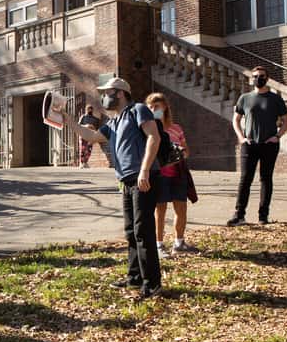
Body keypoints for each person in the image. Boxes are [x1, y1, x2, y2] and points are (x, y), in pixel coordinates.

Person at [64, 77, 163, 300]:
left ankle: (152, 283)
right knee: (131, 231)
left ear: (119, 93)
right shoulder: (114, 121)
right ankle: (135, 277)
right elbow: (90, 136)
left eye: (106, 93)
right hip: (127, 180)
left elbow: (153, 137)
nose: (103, 97)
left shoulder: (138, 110)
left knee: (143, 230)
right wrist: (67, 119)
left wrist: (145, 170)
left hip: (143, 177)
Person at [227, 66, 287, 226]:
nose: (258, 78)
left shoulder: (275, 99)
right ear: (252, 79)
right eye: (255, 76)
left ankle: (263, 216)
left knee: (266, 179)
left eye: (261, 76)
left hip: (269, 145)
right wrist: (241, 138)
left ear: (267, 78)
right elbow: (235, 120)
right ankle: (239, 215)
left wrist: (277, 136)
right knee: (245, 179)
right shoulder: (244, 98)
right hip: (249, 145)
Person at [145, 93, 197, 256]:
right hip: (159, 175)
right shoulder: (147, 128)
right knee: (159, 211)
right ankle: (159, 245)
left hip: (177, 173)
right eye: (151, 107)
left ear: (165, 107)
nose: (154, 109)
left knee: (181, 208)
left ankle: (179, 243)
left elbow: (187, 150)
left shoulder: (176, 128)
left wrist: (180, 152)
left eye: (157, 106)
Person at [78, 104, 100, 169]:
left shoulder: (95, 119)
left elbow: (97, 128)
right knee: (82, 149)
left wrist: (93, 128)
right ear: (86, 110)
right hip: (83, 135)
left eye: (91, 109)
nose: (89, 110)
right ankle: (81, 163)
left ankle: (85, 162)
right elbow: (78, 126)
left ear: (92, 110)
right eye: (88, 109)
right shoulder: (83, 117)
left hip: (91, 135)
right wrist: (86, 125)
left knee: (89, 150)